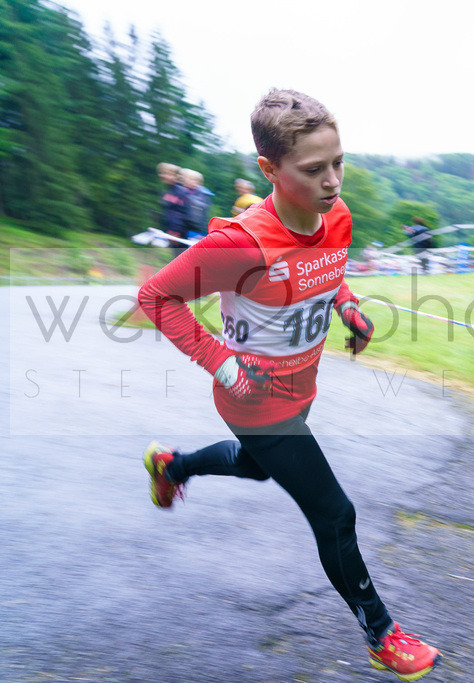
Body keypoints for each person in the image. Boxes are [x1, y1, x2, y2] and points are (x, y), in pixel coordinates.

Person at [137, 89, 442, 681]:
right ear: (269, 170)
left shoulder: (339, 216)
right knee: (335, 513)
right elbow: (156, 297)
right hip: (253, 401)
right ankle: (381, 634)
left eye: (338, 163)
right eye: (313, 169)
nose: (332, 181)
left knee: (257, 467)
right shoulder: (238, 246)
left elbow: (328, 274)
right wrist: (222, 363)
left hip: (301, 391)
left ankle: (171, 466)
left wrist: (348, 308)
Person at [157, 162, 189, 255]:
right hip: (170, 231)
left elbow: (184, 213)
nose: (162, 175)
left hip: (179, 234)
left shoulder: (181, 191)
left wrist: (177, 231)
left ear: (175, 176)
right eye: (161, 173)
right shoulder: (168, 190)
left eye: (166, 173)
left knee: (181, 261)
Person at [180, 168, 212, 242]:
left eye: (188, 178)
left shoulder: (203, 195)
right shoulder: (182, 191)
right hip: (183, 229)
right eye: (184, 178)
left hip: (195, 231)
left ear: (196, 181)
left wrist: (204, 232)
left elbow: (204, 215)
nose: (184, 180)